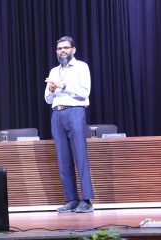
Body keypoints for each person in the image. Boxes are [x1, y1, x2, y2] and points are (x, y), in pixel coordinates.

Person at [44, 36, 94, 213]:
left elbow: (84, 91)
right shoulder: (53, 71)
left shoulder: (81, 67)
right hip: (57, 114)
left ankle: (86, 200)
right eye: (59, 48)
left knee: (80, 156)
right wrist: (51, 90)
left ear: (73, 50)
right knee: (63, 159)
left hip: (75, 112)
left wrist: (63, 86)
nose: (62, 51)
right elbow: (48, 99)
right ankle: (71, 199)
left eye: (66, 48)